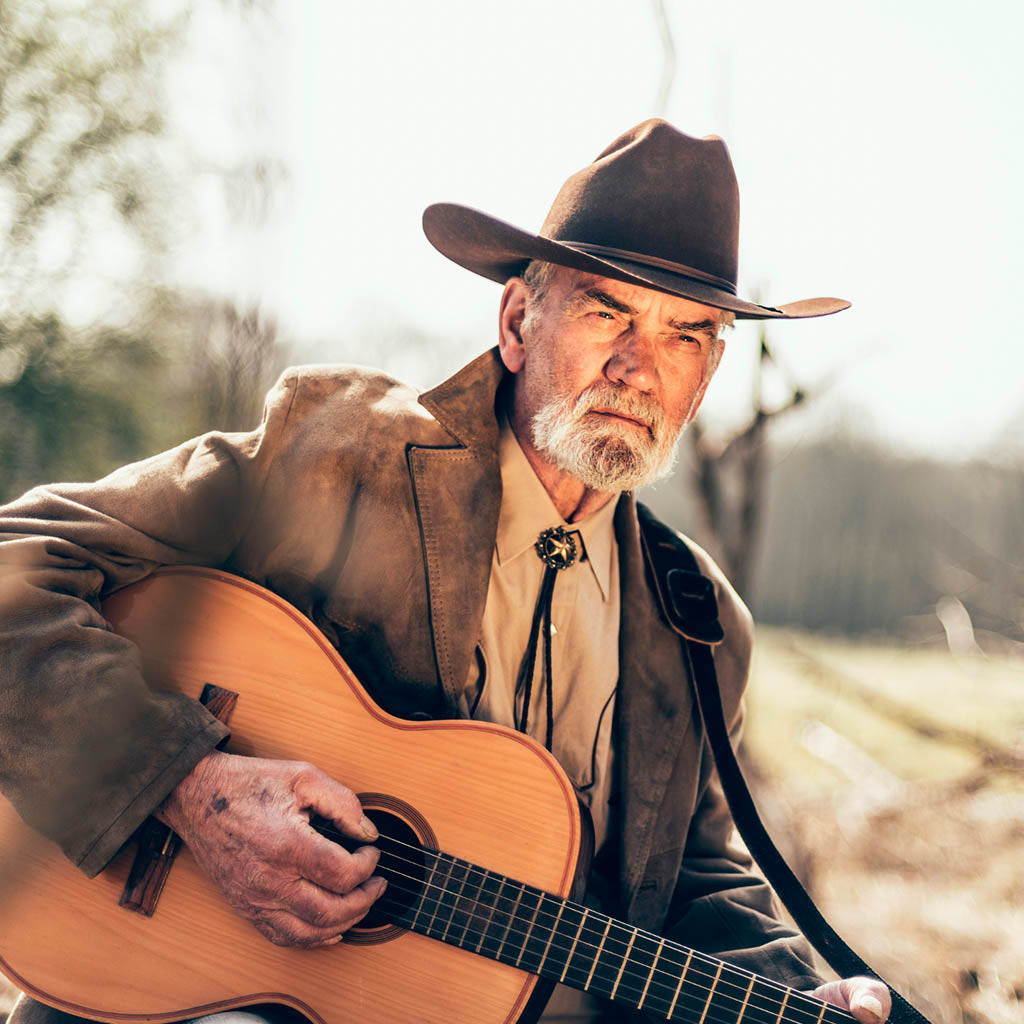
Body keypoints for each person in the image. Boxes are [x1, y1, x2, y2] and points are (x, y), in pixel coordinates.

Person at [0, 119, 890, 1024]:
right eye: (606, 312)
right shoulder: (335, 451)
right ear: (517, 321)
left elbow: (691, 876)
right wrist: (189, 786)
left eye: (686, 336)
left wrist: (791, 996)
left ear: (707, 376)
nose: (639, 369)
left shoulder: (699, 625)